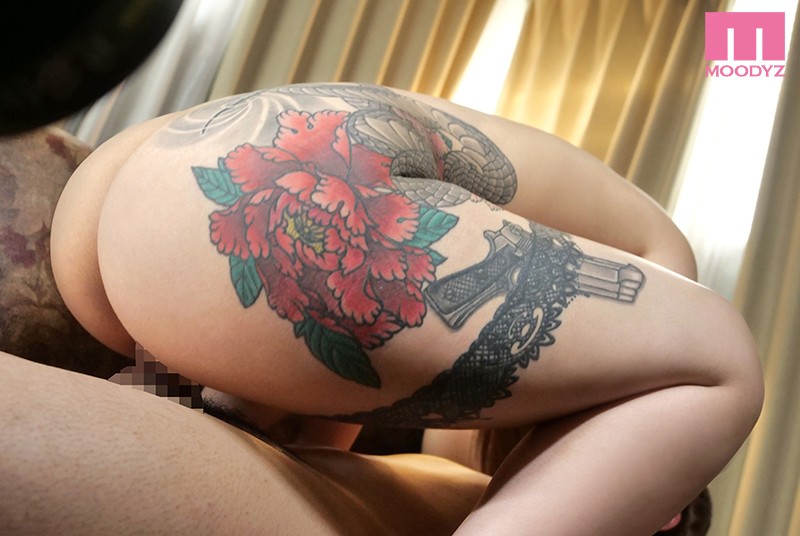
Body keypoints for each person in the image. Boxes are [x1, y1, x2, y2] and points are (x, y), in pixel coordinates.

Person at [12, 82, 762, 535]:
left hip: (122, 211)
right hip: (290, 200)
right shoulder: (665, 263)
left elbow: (331, 380)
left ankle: (170, 396)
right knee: (720, 362)